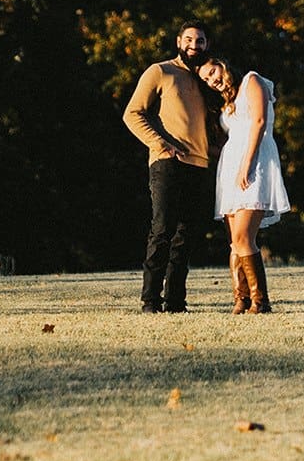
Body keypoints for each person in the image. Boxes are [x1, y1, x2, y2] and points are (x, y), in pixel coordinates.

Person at [123, 22, 214, 313]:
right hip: (167, 163)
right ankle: (151, 300)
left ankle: (176, 301)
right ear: (178, 41)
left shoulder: (206, 79)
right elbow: (132, 114)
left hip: (199, 166)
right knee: (162, 230)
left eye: (199, 41)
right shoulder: (160, 71)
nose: (194, 45)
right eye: (189, 39)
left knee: (185, 236)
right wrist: (160, 144)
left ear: (206, 45)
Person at [198, 57, 289, 314]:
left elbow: (259, 123)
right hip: (230, 168)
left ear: (223, 65)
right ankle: (241, 299)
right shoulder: (227, 101)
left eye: (213, 72)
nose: (212, 80)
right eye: (206, 79)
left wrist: (246, 165)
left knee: (243, 236)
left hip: (255, 161)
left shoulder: (252, 80)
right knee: (233, 240)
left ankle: (261, 301)